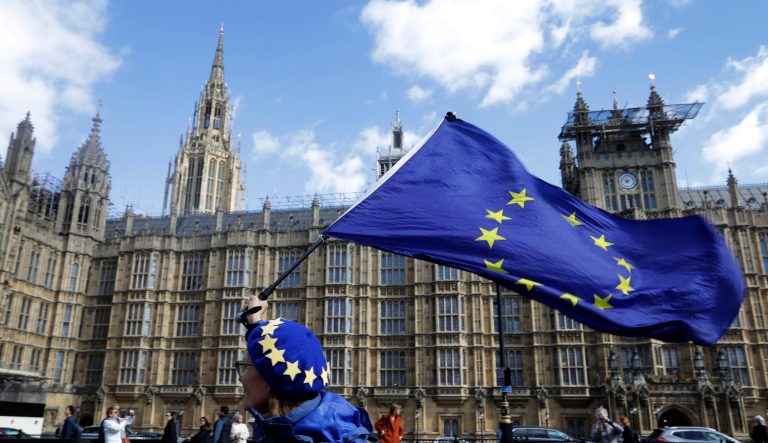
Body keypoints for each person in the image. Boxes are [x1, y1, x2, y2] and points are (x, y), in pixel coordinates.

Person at [237, 296, 374, 442]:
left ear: (271, 378)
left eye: (245, 368)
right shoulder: (327, 429)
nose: (241, 377)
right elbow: (282, 350)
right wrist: (255, 323)